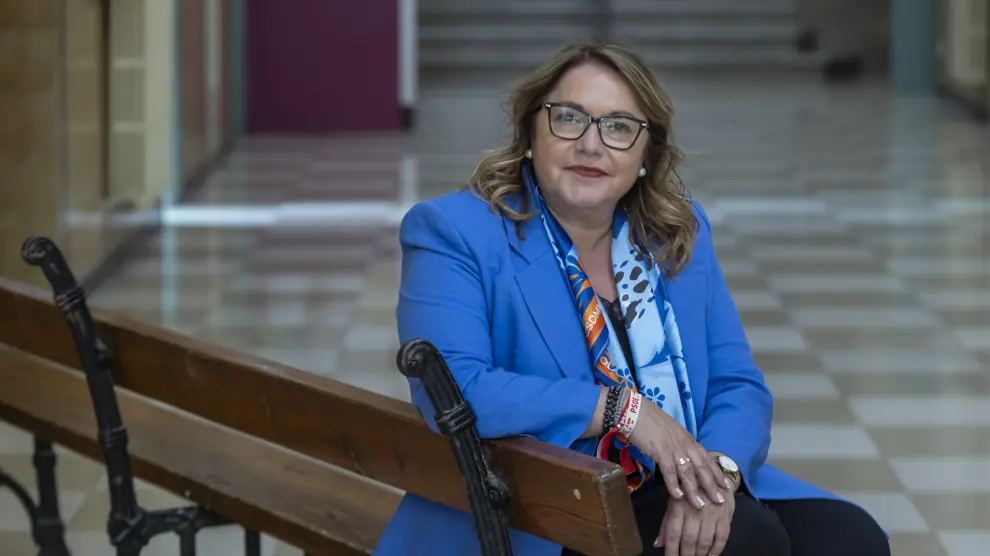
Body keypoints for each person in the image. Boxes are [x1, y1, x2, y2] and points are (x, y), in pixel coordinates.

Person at [373, 42, 891, 556]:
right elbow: (457, 391)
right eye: (570, 118)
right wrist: (623, 410)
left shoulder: (672, 233)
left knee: (850, 540)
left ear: (647, 154)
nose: (591, 145)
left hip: (673, 474)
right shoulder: (455, 232)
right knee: (747, 542)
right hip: (537, 501)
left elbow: (739, 385)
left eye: (619, 127)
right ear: (531, 131)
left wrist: (718, 476)